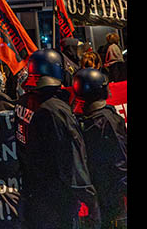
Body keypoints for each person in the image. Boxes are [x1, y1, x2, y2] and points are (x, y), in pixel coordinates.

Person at [15, 48, 99, 229]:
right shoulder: (56, 111)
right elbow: (72, 158)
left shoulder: (23, 102)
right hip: (56, 200)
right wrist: (89, 198)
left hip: (31, 193)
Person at [74, 68, 127, 229]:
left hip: (93, 193)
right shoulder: (108, 120)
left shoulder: (79, 120)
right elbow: (120, 159)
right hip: (112, 195)